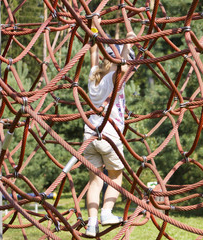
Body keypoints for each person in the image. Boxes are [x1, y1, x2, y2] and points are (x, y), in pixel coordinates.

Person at [83, 20, 136, 237]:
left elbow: (94, 49)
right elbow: (123, 65)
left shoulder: (94, 76)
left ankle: (91, 223)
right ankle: (106, 212)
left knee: (94, 181)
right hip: (109, 135)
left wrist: (94, 28)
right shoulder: (115, 80)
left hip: (89, 135)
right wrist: (129, 40)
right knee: (116, 176)